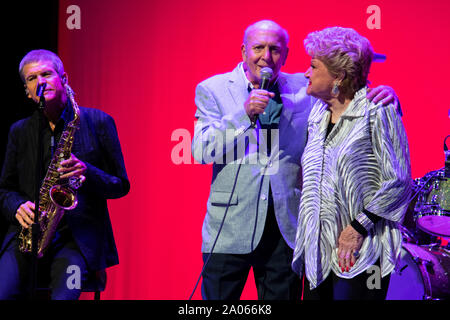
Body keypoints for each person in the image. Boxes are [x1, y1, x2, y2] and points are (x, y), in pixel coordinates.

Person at [192, 20, 399, 300]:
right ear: (243, 51)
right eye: (258, 48)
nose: (266, 56)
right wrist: (244, 115)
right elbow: (202, 150)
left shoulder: (307, 88)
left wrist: (389, 97)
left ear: (286, 54)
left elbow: (349, 91)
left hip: (286, 229)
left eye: (275, 49)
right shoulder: (213, 89)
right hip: (229, 229)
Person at [291, 27, 411, 300]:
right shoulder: (317, 113)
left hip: (361, 251)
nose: (306, 73)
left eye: (313, 66)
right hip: (317, 252)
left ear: (339, 75)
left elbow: (399, 181)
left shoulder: (378, 110)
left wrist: (357, 228)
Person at [0, 49, 130, 300]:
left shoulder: (99, 121)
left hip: (76, 239)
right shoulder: (19, 131)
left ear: (64, 79)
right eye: (32, 78)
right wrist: (17, 206)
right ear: (27, 90)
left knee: (64, 296)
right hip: (27, 233)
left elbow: (120, 185)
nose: (40, 82)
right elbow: (5, 189)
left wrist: (87, 171)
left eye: (47, 74)